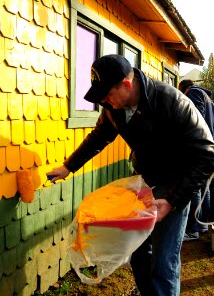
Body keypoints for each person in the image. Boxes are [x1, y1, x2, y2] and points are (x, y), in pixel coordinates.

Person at [47, 55, 214, 296]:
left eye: (107, 94)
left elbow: (207, 153)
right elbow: (99, 136)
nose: (103, 100)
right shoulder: (113, 108)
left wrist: (173, 201)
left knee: (164, 261)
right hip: (144, 182)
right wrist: (68, 167)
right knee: (138, 251)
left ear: (126, 85)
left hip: (174, 186)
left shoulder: (170, 100)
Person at [179, 79, 214, 241]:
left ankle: (193, 229)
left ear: (184, 90)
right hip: (209, 147)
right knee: (204, 187)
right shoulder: (208, 98)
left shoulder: (193, 92)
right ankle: (203, 225)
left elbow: (194, 118)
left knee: (195, 189)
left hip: (198, 147)